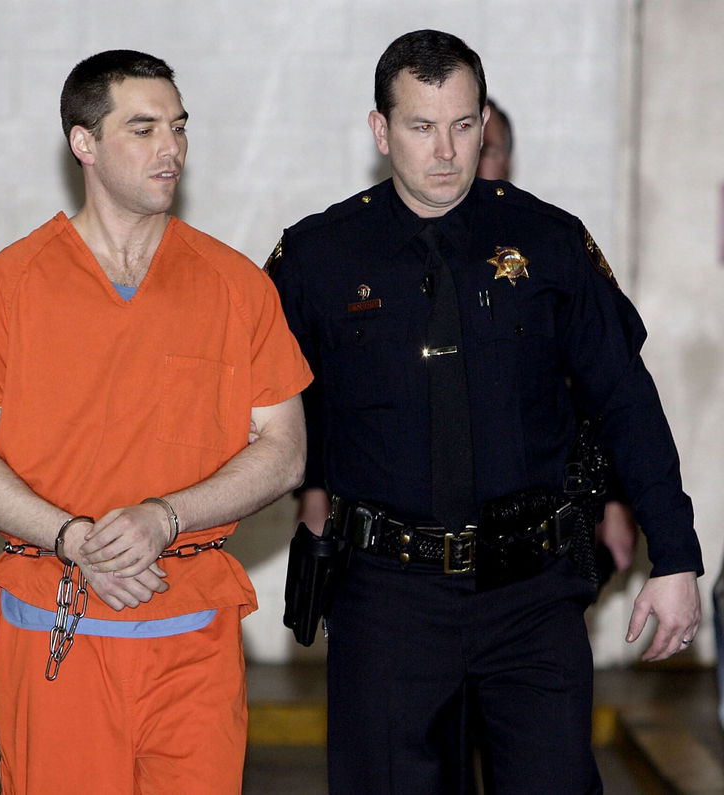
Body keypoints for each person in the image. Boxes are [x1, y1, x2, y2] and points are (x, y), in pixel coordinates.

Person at [268, 30, 703, 793]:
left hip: (530, 593)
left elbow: (626, 400)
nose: (446, 151)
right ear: (380, 130)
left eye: (464, 126)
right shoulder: (318, 256)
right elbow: (243, 400)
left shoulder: (549, 241)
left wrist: (676, 554)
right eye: (421, 126)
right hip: (387, 597)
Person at [0, 50, 312, 794]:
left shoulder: (236, 286)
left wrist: (166, 517)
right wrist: (74, 538)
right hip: (57, 626)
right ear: (84, 144)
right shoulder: (10, 285)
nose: (170, 148)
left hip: (193, 639)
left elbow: (286, 450)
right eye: (143, 129)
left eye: (178, 127)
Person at [479, 97, 641, 587]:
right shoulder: (400, 254)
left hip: (543, 515)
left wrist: (614, 503)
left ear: (509, 160)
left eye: (489, 147)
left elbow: (606, 390)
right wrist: (316, 494)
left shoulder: (549, 250)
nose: (470, 157)